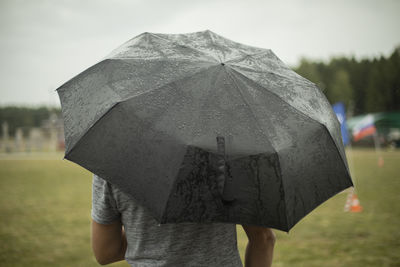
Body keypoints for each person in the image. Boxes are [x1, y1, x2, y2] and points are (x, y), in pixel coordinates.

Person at [91, 174, 276, 267]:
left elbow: (105, 251)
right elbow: (264, 238)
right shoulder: (230, 155)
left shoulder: (113, 163)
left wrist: (151, 236)